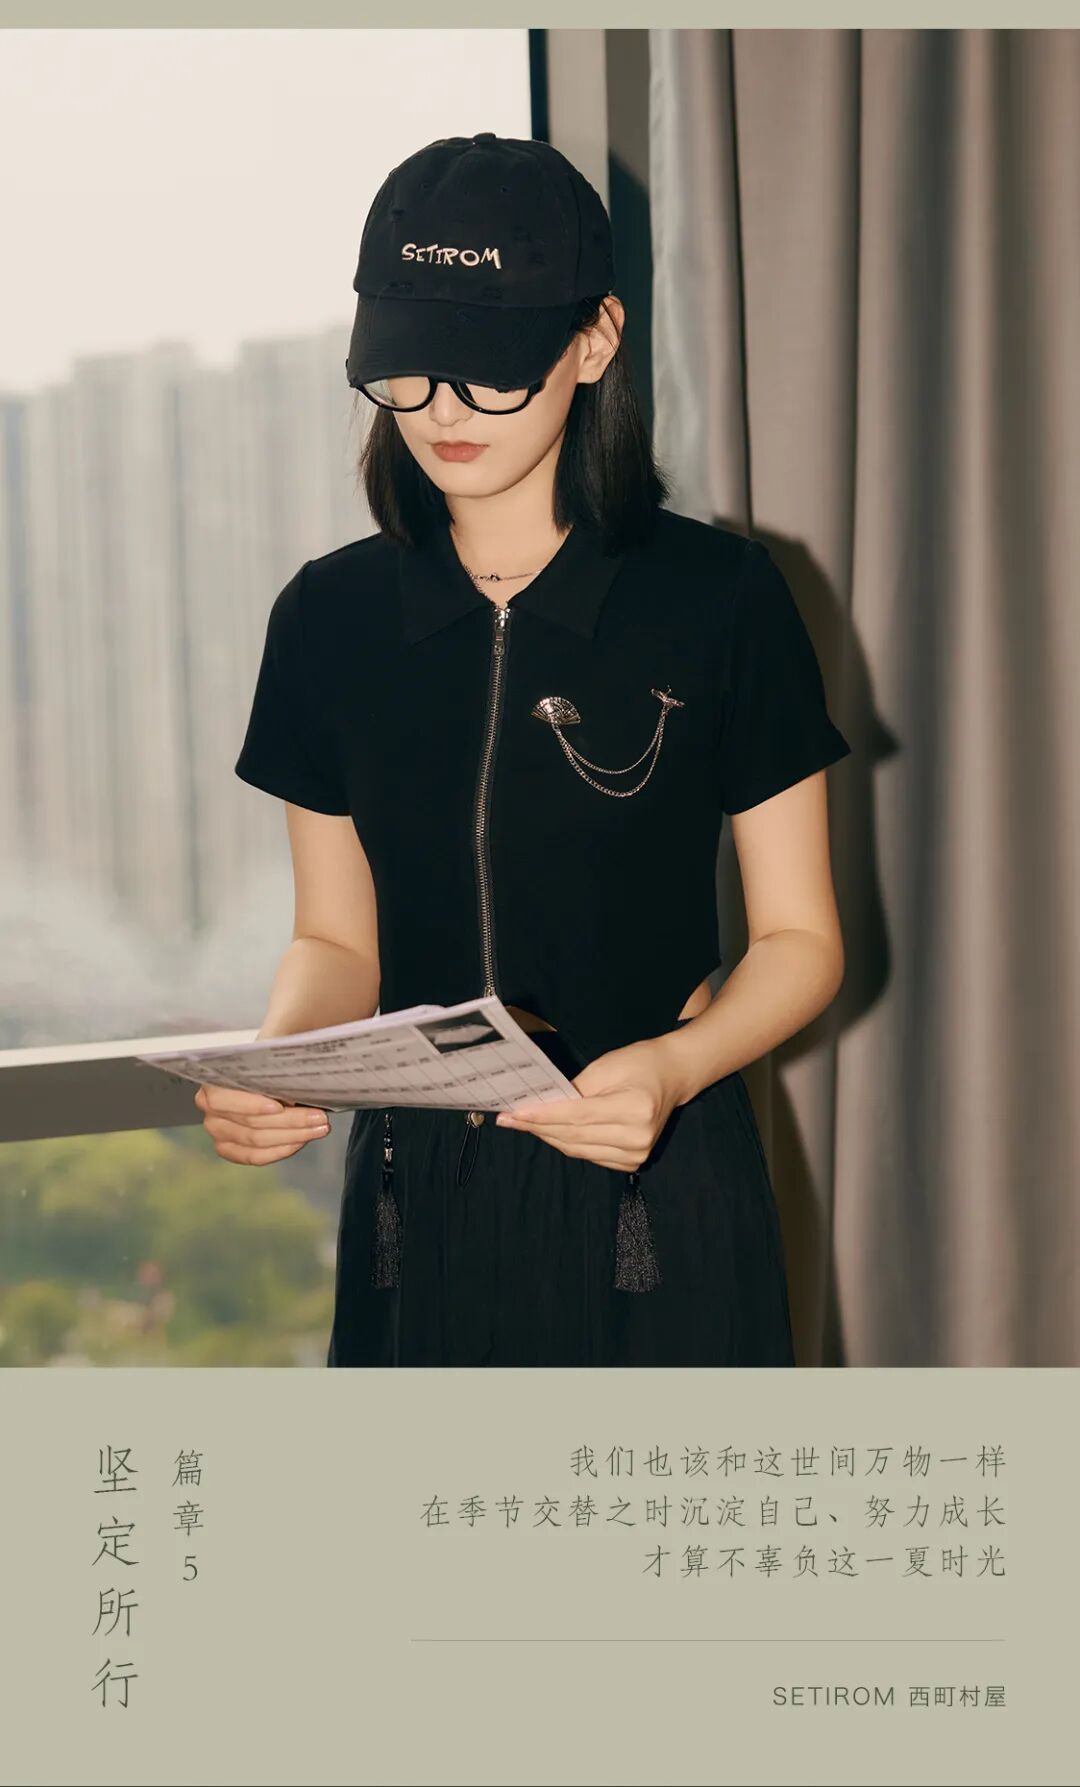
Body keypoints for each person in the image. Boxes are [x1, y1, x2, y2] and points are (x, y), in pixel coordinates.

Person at [198, 131, 852, 1368]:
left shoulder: (720, 598)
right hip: (415, 1200)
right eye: (408, 369)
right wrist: (282, 1062)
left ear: (594, 341)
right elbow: (337, 940)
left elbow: (801, 940)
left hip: (652, 1167)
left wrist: (673, 1068)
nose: (444, 410)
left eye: (491, 370)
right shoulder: (328, 617)